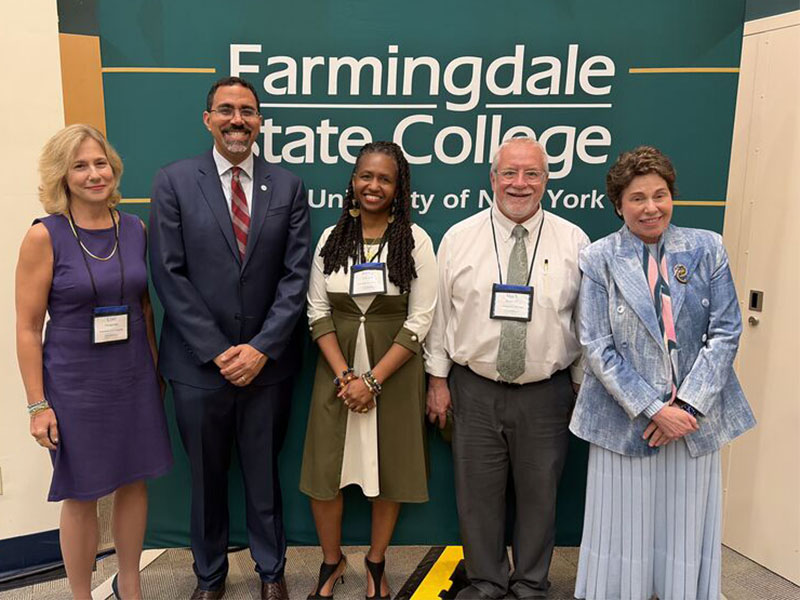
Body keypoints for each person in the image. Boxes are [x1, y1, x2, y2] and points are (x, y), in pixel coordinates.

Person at [148, 76, 311, 600]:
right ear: (208, 119)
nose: (237, 120)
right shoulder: (173, 181)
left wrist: (261, 348)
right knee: (206, 482)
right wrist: (220, 351)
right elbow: (168, 275)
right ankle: (210, 577)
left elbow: (296, 276)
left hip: (268, 366)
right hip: (198, 366)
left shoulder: (287, 186)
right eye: (226, 110)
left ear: (260, 120)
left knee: (264, 477)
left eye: (247, 111)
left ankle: (271, 573)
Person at [569, 146, 756, 600]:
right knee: (624, 526)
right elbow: (596, 346)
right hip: (626, 421)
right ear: (618, 204)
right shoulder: (599, 258)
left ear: (672, 196)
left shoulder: (707, 247)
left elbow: (726, 330)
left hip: (694, 419)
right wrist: (654, 409)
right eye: (637, 198)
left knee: (685, 523)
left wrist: (686, 407)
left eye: (660, 195)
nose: (651, 207)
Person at [425, 136, 589, 599]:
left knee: (541, 495)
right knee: (477, 496)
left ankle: (531, 583)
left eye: (531, 174)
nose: (520, 184)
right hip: (473, 388)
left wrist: (579, 386)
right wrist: (437, 380)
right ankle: (486, 581)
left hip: (547, 391)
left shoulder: (574, 240)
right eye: (510, 173)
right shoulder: (460, 237)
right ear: (492, 178)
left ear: (546, 180)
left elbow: (584, 321)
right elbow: (442, 319)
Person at [15, 124, 173, 600]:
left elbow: (143, 307)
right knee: (81, 493)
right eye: (80, 165)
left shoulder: (134, 229)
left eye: (100, 163)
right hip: (73, 384)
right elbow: (27, 327)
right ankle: (81, 594)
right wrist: (36, 405)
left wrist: (154, 371)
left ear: (114, 167)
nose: (93, 174)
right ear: (62, 175)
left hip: (132, 377)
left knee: (134, 482)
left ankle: (131, 585)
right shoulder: (45, 236)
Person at [299, 141, 437, 599]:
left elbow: (421, 320)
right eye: (366, 176)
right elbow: (317, 310)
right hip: (335, 374)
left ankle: (376, 561)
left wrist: (373, 380)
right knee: (325, 476)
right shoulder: (330, 239)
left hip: (393, 376)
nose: (373, 186)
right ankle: (331, 561)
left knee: (388, 469)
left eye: (385, 179)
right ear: (353, 182)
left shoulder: (415, 241)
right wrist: (345, 377)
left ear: (398, 189)